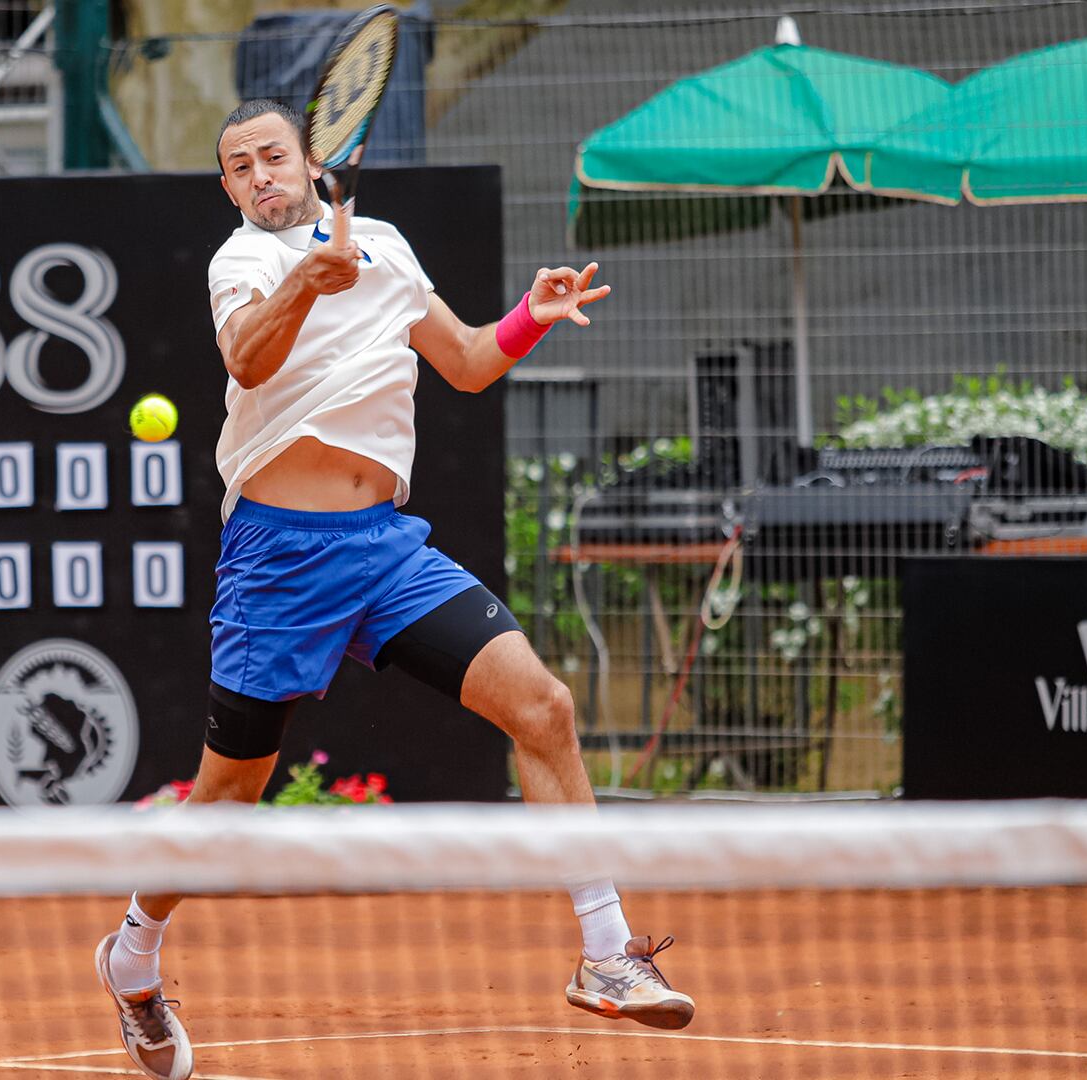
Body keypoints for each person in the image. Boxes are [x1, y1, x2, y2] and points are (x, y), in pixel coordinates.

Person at [90, 100, 694, 1080]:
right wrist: (307, 281)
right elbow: (246, 356)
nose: (259, 177)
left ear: (311, 160)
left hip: (385, 550)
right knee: (227, 797)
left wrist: (529, 319)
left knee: (542, 707)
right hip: (279, 559)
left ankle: (605, 956)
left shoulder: (385, 247)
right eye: (238, 168)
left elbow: (461, 362)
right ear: (229, 188)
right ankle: (133, 955)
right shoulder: (239, 263)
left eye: (272, 157)